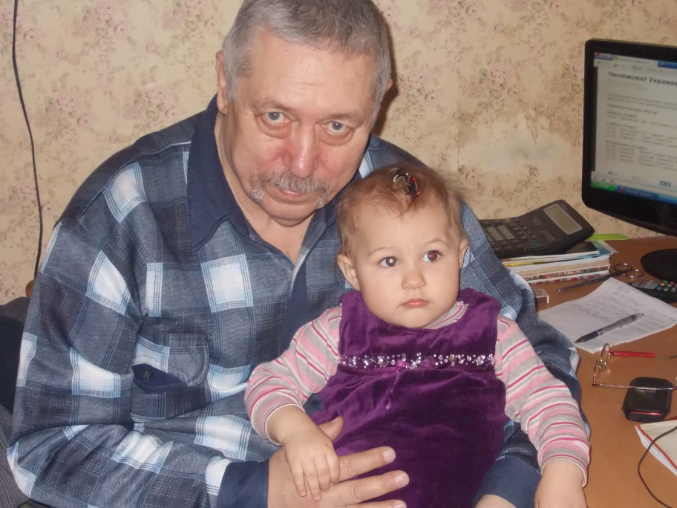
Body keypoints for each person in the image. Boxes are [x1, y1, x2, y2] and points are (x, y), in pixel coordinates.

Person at [8, 0, 585, 507]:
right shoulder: (123, 215)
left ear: (379, 102)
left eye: (337, 126)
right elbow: (50, 448)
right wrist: (255, 492)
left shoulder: (402, 202)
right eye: (275, 116)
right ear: (226, 82)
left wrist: (510, 485)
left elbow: (533, 353)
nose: (303, 164)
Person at [245, 165, 590, 507]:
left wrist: (564, 471)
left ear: (460, 255)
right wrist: (296, 431)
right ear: (352, 272)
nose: (414, 279)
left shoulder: (494, 334)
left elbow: (550, 403)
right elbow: (268, 384)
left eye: (432, 255)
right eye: (389, 261)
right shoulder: (336, 331)